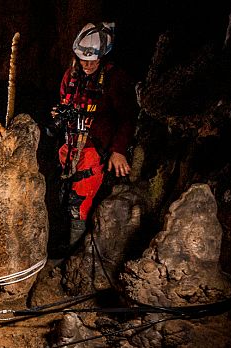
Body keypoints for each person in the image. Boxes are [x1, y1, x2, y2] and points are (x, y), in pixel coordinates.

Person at [52, 22, 137, 250]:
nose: (87, 65)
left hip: (94, 151)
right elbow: (64, 104)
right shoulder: (71, 76)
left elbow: (128, 117)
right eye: (83, 59)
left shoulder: (114, 79)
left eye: (93, 60)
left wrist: (118, 150)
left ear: (103, 57)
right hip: (69, 147)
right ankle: (62, 246)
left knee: (78, 203)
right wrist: (59, 114)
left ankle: (74, 255)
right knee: (62, 198)